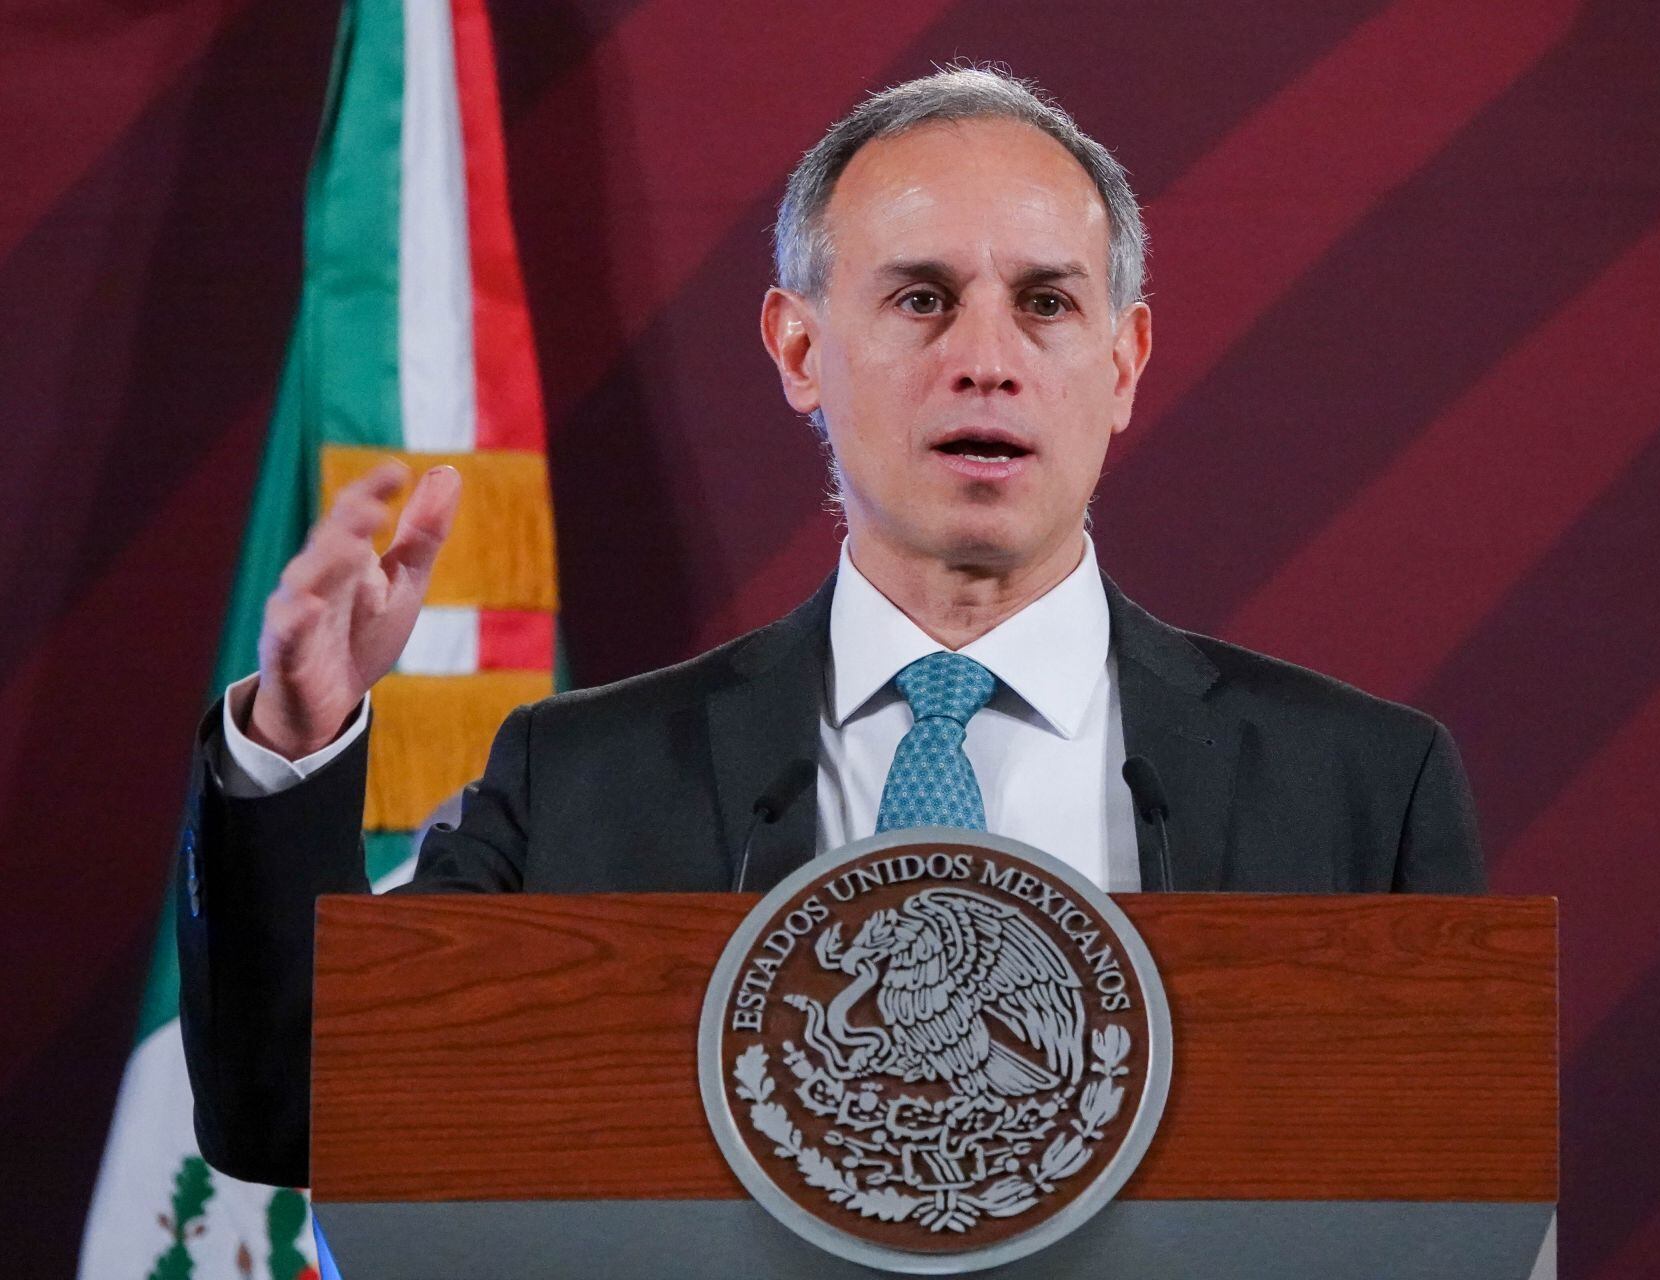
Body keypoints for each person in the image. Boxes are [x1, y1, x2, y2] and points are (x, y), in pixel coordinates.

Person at [178, 68, 1485, 1188]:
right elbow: (295, 1114)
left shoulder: (1364, 789)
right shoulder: (580, 780)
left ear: (1123, 362)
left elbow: (1450, 1200)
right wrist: (294, 742)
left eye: (1046, 303)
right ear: (800, 351)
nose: (987, 357)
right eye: (921, 299)